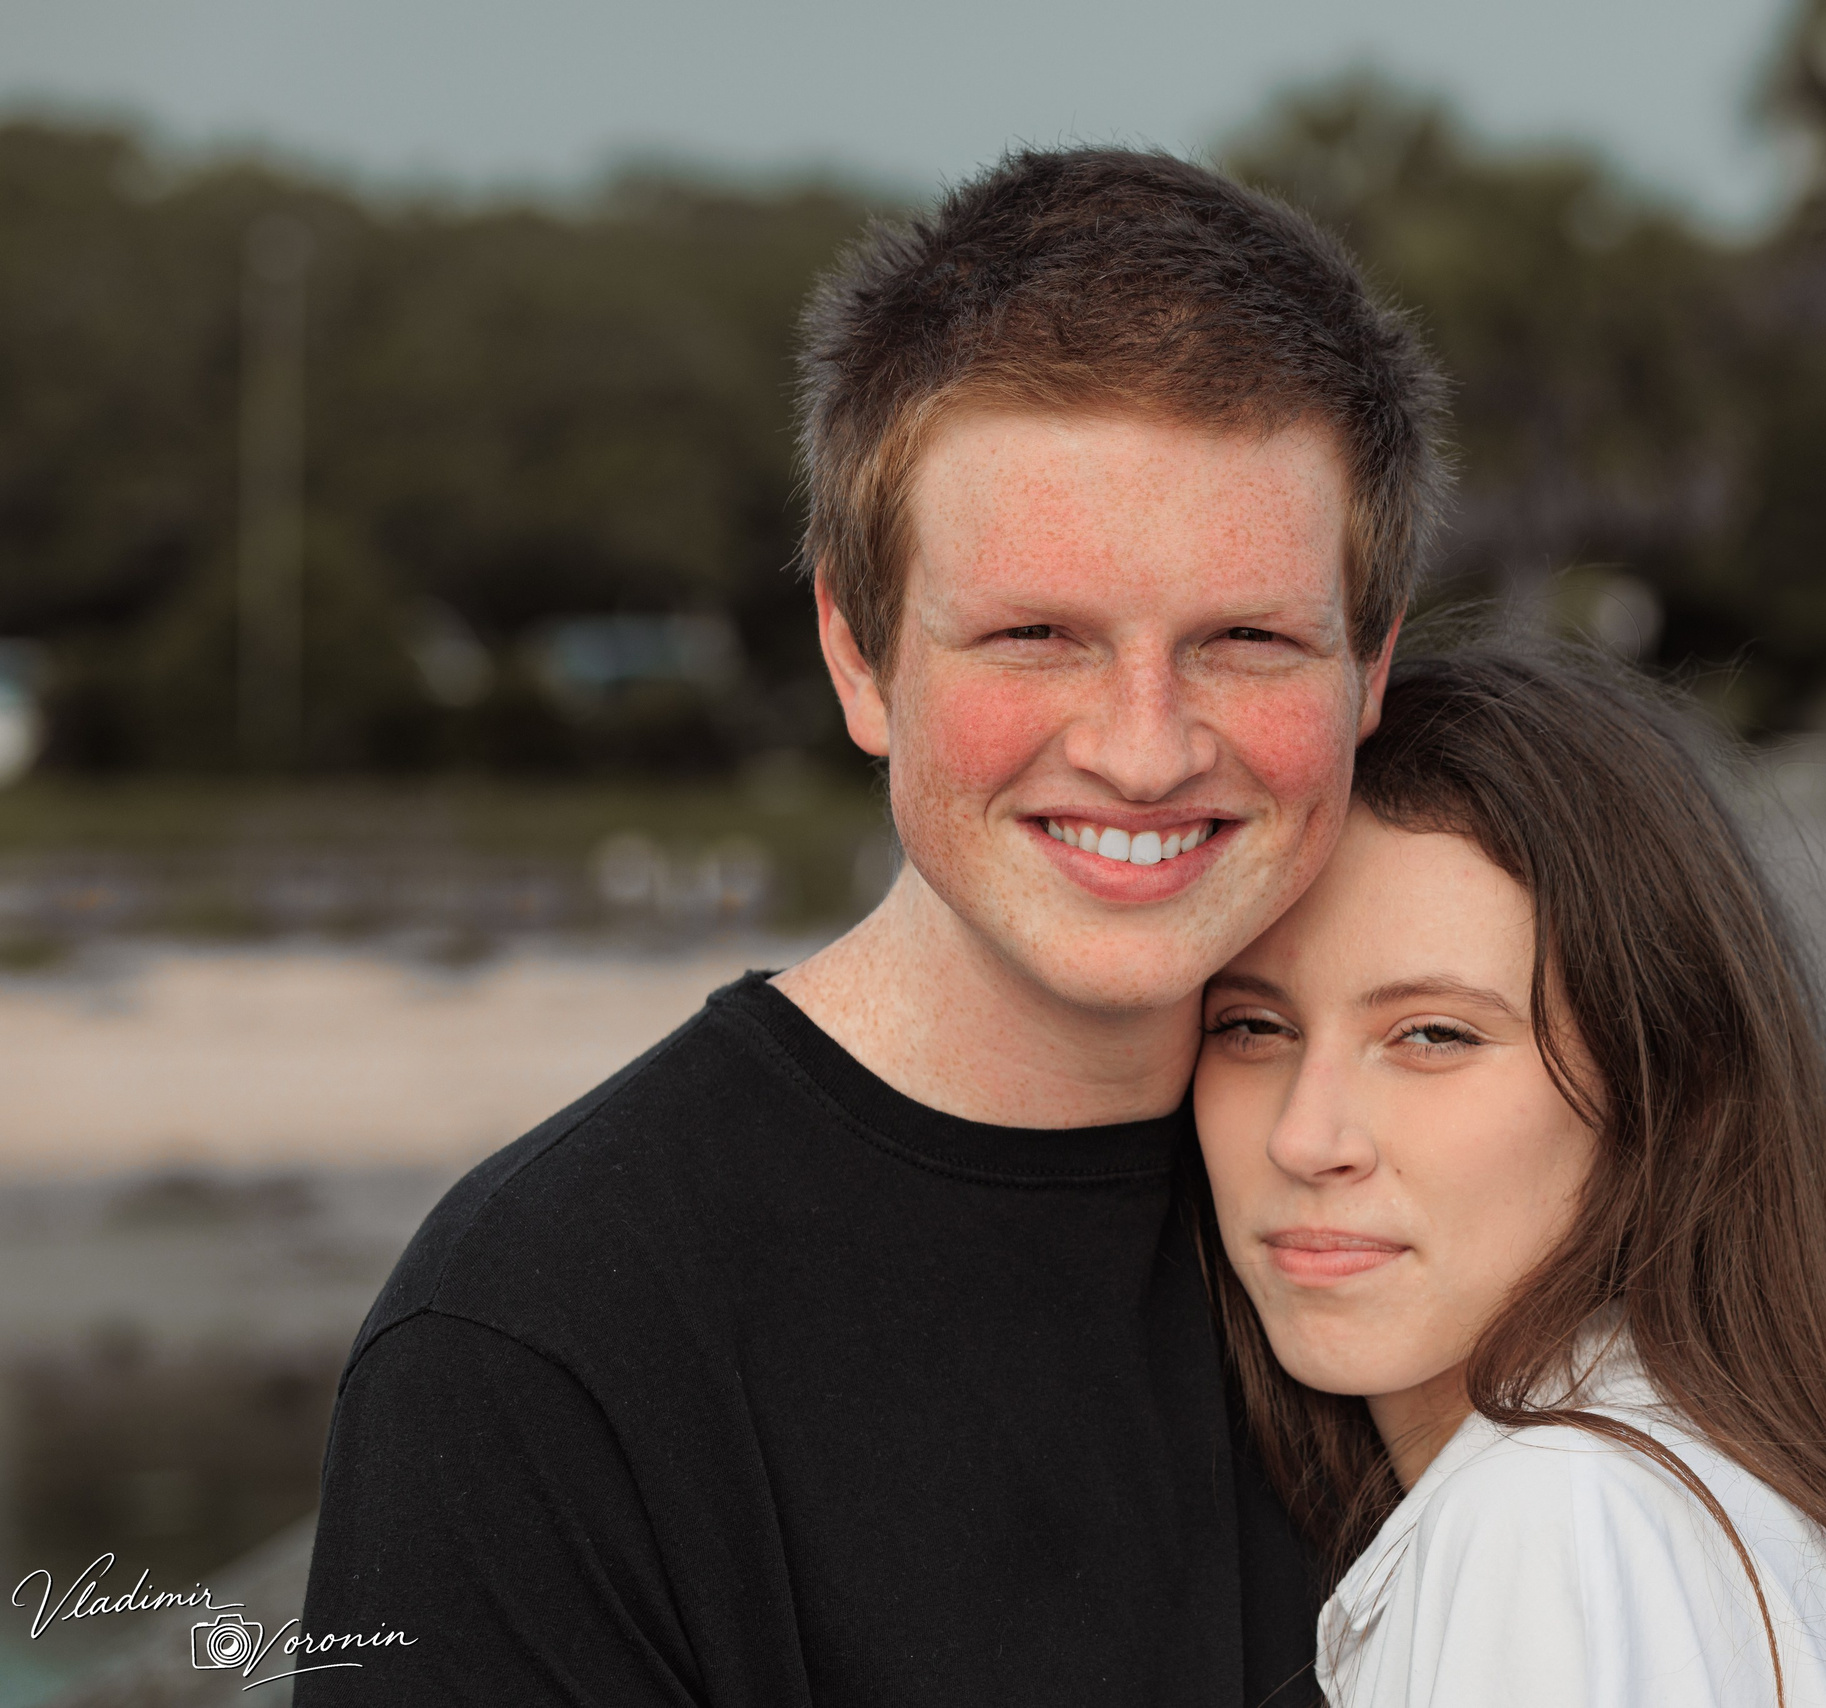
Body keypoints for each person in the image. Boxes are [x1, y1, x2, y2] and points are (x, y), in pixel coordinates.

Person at [296, 149, 1448, 1707]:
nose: (1144, 745)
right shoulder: (536, 1342)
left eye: (1245, 640)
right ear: (858, 652)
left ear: (1368, 668)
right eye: (1036, 636)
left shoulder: (1458, 1216)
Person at [1192, 650, 1826, 1708]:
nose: (1306, 1137)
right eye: (1251, 1026)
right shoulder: (1701, 1479)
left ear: (1658, 1088)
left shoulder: (1549, 1519)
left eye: (1434, 1035)